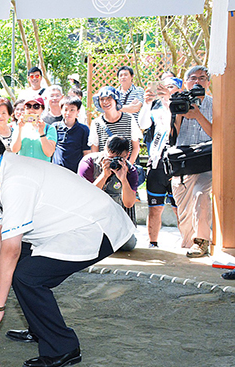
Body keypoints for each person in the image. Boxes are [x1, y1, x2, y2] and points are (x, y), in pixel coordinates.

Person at [0, 127, 135, 367]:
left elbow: (11, 250)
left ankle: (63, 348)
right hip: (69, 225)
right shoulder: (5, 173)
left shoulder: (16, 179)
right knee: (22, 268)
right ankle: (40, 328)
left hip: (96, 228)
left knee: (27, 275)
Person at [170, 66, 213, 257]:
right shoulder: (178, 103)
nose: (198, 81)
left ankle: (201, 241)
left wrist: (198, 116)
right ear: (186, 82)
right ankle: (189, 240)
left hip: (208, 161)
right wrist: (178, 113)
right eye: (193, 78)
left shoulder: (217, 104)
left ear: (208, 83)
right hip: (184, 163)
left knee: (201, 194)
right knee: (184, 210)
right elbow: (171, 138)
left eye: (202, 78)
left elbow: (219, 135)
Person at [138, 77, 182, 248]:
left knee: (180, 208)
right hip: (157, 161)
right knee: (155, 207)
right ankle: (153, 243)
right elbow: (143, 123)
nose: (166, 89)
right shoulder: (156, 108)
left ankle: (186, 242)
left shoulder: (182, 107)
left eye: (171, 86)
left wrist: (169, 101)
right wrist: (147, 103)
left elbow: (175, 123)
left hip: (177, 163)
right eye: (163, 86)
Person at [78, 136, 138, 251]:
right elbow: (86, 197)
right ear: (105, 149)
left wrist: (124, 180)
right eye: (111, 157)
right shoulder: (89, 162)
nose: (114, 161)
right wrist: (104, 176)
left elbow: (129, 203)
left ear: (127, 155)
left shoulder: (130, 170)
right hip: (90, 217)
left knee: (129, 244)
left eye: (119, 158)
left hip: (114, 218)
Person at [89, 86, 141, 165]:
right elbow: (95, 151)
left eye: (109, 98)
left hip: (126, 168)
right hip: (105, 168)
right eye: (102, 99)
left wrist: (128, 166)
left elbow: (136, 147)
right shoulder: (96, 123)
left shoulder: (129, 119)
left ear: (115, 100)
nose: (105, 102)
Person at [11, 95, 57, 161]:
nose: (31, 109)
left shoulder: (49, 128)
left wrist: (42, 133)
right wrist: (19, 129)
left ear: (42, 109)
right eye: (28, 106)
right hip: (24, 168)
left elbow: (49, 153)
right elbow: (14, 150)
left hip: (42, 169)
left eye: (36, 106)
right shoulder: (19, 127)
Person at [51, 97, 91, 173]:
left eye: (72, 110)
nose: (68, 113)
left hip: (75, 171)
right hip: (57, 170)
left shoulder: (84, 129)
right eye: (65, 110)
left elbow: (86, 152)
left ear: (78, 111)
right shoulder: (55, 127)